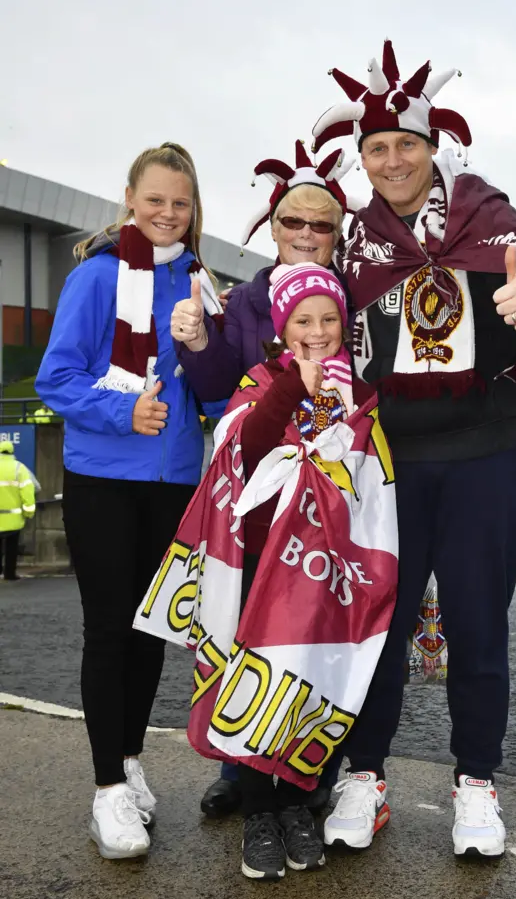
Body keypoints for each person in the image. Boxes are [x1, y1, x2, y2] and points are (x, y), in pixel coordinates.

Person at [311, 39, 516, 857]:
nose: (392, 161)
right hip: (391, 460)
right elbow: (301, 310)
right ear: (362, 158)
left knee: (478, 624)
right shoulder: (356, 243)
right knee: (379, 627)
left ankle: (476, 784)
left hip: (485, 451)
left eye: (406, 145)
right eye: (377, 148)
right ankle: (366, 774)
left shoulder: (486, 213)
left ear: (434, 148)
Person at [135, 262, 396, 880]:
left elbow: (375, 488)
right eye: (303, 319)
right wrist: (294, 387)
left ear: (345, 325)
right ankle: (258, 811)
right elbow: (245, 448)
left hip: (325, 572)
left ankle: (298, 803)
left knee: (310, 684)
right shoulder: (262, 378)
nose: (317, 330)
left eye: (329, 319)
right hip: (258, 564)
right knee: (257, 683)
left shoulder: (361, 395)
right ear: (282, 326)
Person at [35, 142, 221, 860]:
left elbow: (209, 394)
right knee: (110, 629)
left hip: (173, 482)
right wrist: (122, 415)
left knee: (151, 632)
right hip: (103, 477)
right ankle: (107, 789)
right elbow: (58, 379)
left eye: (181, 202)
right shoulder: (96, 276)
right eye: (156, 200)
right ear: (129, 200)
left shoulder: (201, 283)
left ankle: (131, 759)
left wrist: (208, 350)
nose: (168, 214)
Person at [172, 140, 359, 818]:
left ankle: (315, 767)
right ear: (270, 226)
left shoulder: (354, 303)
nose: (306, 236)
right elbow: (219, 385)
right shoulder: (245, 301)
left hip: (332, 505)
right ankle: (236, 766)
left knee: (321, 629)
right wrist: (196, 341)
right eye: (293, 222)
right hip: (254, 498)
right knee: (240, 623)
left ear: (338, 235)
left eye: (322, 225)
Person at [0, 440, 36, 580]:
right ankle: (10, 573)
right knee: (11, 547)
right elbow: (27, 491)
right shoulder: (19, 468)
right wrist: (29, 512)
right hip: (13, 518)